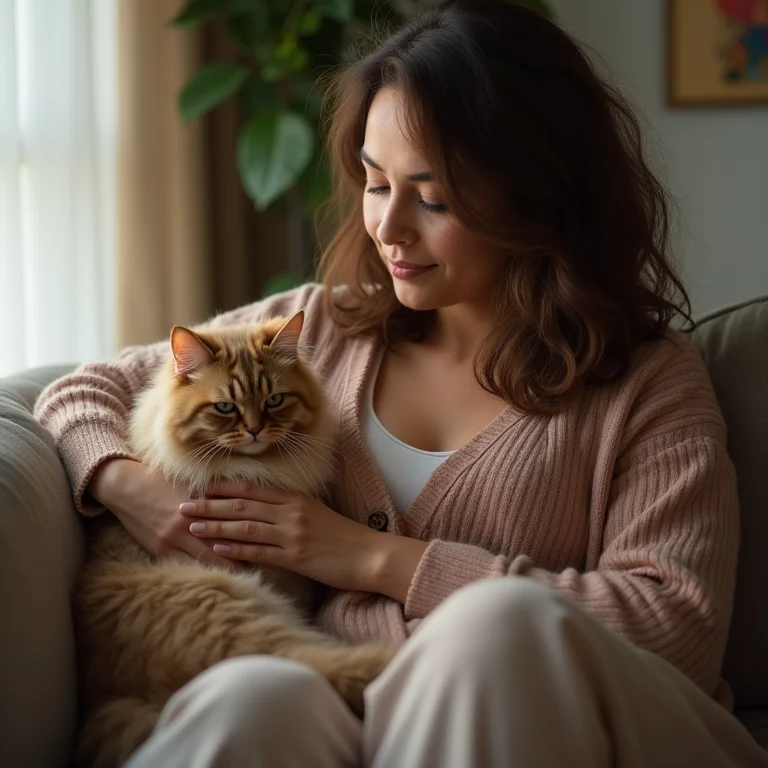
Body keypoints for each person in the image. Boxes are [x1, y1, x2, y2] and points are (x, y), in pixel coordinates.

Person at [34, 1, 768, 766]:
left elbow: (675, 629)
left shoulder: (647, 381)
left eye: (434, 197)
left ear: (539, 192)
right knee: (252, 699)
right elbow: (81, 392)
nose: (387, 227)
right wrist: (133, 489)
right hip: (361, 719)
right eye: (376, 183)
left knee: (496, 627)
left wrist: (372, 558)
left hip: (580, 725)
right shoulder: (319, 330)